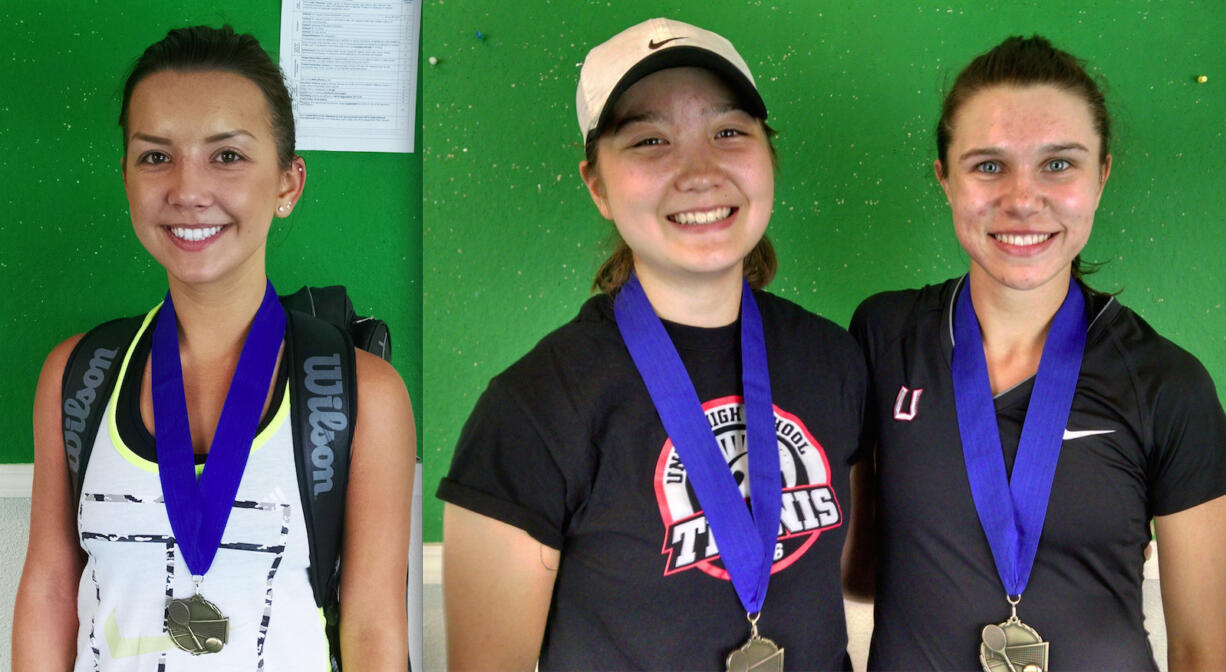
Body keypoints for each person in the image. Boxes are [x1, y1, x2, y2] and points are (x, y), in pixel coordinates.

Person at [439, 17, 867, 671]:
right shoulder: (533, 409)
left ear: (767, 155)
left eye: (728, 132)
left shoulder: (834, 360)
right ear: (597, 185)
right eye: (649, 140)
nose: (700, 170)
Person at [13, 25, 415, 671]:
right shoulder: (78, 377)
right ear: (125, 177)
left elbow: (372, 628)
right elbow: (51, 592)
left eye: (226, 156)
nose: (187, 189)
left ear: (288, 183)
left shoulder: (360, 393)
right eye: (154, 156)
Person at [846, 35, 1226, 671]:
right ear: (945, 178)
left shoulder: (1167, 383)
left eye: (1058, 164)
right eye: (988, 165)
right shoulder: (884, 334)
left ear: (1101, 175)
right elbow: (859, 574)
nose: (1022, 198)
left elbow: (1202, 648)